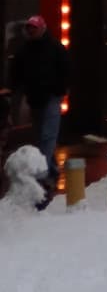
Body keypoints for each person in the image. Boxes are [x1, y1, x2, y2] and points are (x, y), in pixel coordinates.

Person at [8, 15, 70, 189]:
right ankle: (51, 168)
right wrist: (17, 93)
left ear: (42, 28)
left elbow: (66, 69)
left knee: (47, 136)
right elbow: (16, 74)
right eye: (29, 28)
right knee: (40, 136)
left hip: (51, 96)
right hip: (35, 98)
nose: (31, 31)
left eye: (34, 28)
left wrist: (60, 89)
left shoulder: (54, 48)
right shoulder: (24, 51)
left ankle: (41, 173)